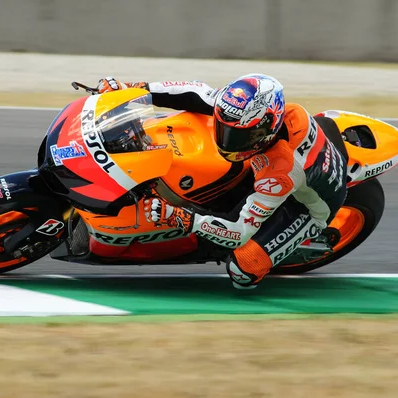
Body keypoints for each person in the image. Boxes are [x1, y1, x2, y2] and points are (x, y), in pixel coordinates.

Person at [96, 74, 348, 289]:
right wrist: (133, 89)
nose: (226, 140)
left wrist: (183, 219)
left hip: (306, 206)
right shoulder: (244, 109)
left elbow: (239, 232)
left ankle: (282, 245)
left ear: (266, 129)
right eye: (224, 127)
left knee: (243, 270)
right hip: (286, 167)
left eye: (239, 135)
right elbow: (192, 91)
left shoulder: (280, 172)